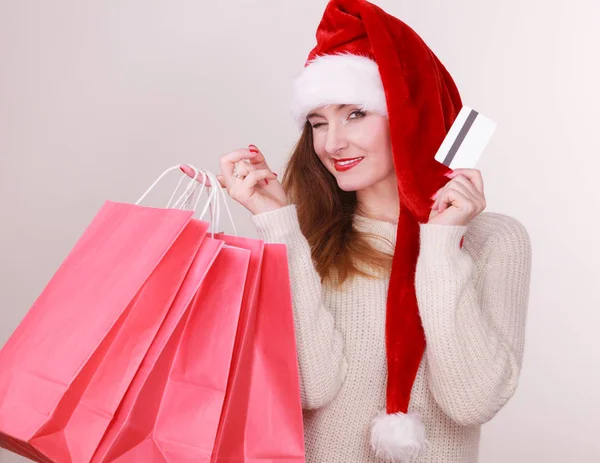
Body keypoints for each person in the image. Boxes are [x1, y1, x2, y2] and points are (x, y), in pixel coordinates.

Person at [206, 0, 532, 461]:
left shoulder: (495, 241)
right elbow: (309, 388)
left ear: (408, 116)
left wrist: (440, 244)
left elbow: (471, 401)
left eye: (355, 114)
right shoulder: (309, 237)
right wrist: (278, 225)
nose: (331, 143)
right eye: (318, 123)